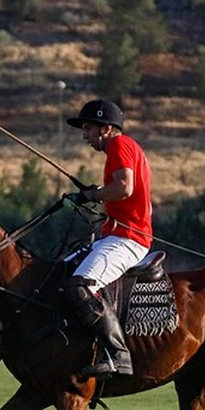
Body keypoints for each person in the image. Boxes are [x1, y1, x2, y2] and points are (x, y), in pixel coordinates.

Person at [62, 98, 153, 378]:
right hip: (114, 236)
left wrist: (91, 195)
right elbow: (118, 188)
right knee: (60, 271)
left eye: (88, 129)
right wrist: (97, 192)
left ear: (106, 128)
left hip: (128, 239)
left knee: (81, 286)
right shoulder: (121, 148)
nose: (85, 136)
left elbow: (125, 187)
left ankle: (118, 355)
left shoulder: (119, 145)